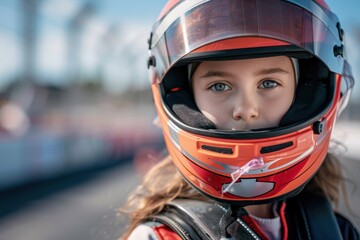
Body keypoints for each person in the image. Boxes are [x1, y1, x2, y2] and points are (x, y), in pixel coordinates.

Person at [122, 0, 359, 239]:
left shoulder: (336, 230)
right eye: (219, 86)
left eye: (268, 83)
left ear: (304, 94)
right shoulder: (159, 236)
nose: (246, 109)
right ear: (186, 99)